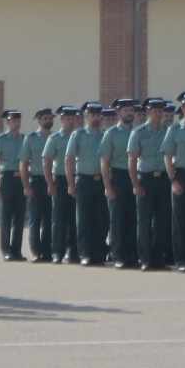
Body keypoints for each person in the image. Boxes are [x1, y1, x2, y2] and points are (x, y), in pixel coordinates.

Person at [128, 98, 172, 269]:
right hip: (145, 178)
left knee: (162, 221)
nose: (158, 113)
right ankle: (145, 259)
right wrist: (135, 184)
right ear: (147, 112)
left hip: (163, 179)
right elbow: (132, 160)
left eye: (160, 110)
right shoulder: (138, 132)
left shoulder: (168, 131)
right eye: (154, 110)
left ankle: (158, 258)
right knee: (144, 221)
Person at [162, 93, 185, 271]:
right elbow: (168, 157)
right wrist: (173, 180)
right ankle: (181, 260)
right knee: (180, 220)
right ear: (183, 110)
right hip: (181, 176)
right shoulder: (175, 130)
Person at [66, 103, 108, 265]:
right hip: (84, 180)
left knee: (102, 219)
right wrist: (70, 183)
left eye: (98, 115)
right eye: (92, 115)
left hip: (102, 181)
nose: (96, 118)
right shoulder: (78, 135)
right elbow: (69, 159)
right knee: (84, 219)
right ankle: (85, 254)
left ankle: (99, 253)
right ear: (86, 116)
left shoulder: (105, 135)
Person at [99, 100, 138, 267]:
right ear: (119, 113)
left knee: (133, 217)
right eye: (126, 110)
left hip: (136, 177)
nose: (129, 113)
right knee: (117, 219)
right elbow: (104, 162)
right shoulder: (111, 133)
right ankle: (118, 255)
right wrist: (108, 186)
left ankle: (131, 255)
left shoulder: (138, 132)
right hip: (118, 177)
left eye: (131, 110)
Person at [44, 106, 78, 263]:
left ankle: (74, 251)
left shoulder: (79, 136)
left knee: (75, 217)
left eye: (72, 118)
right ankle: (57, 251)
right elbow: (47, 162)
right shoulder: (55, 138)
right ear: (62, 120)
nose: (70, 121)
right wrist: (50, 184)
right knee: (58, 218)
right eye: (67, 118)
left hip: (78, 179)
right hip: (61, 180)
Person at [21, 108, 54, 262]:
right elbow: (23, 163)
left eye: (50, 118)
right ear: (39, 120)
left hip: (53, 181)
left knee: (49, 218)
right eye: (45, 118)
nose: (48, 120)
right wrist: (26, 186)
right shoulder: (31, 138)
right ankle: (36, 251)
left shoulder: (55, 137)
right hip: (37, 181)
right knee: (35, 218)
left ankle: (47, 251)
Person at [0, 109, 26, 261]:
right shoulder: (0, 139)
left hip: (22, 178)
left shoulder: (24, 139)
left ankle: (17, 250)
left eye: (18, 120)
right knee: (6, 216)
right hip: (7, 177)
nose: (16, 123)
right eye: (13, 120)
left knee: (20, 216)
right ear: (7, 122)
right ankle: (6, 250)